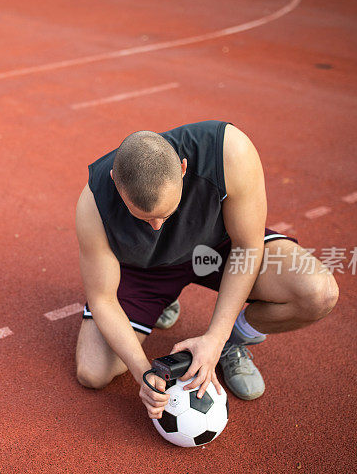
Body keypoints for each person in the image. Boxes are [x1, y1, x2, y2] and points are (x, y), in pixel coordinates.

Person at [74, 121, 339, 419]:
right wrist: (143, 372)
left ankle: (231, 345)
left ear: (184, 169)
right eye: (144, 219)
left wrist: (217, 337)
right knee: (92, 372)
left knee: (318, 292)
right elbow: (102, 300)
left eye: (165, 214)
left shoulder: (229, 151)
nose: (157, 227)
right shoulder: (93, 203)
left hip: (220, 248)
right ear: (114, 181)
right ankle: (164, 299)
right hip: (144, 269)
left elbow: (247, 248)